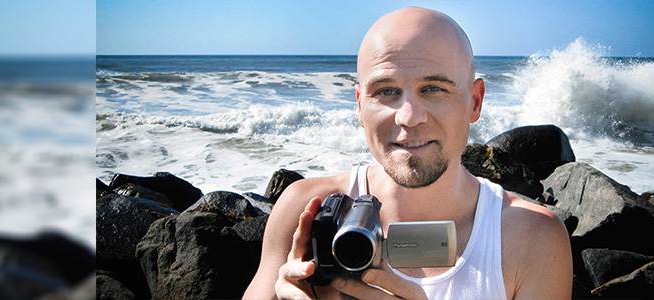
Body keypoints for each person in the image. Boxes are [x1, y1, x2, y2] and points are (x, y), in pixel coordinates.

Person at [243, 7, 572, 300]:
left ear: (475, 101)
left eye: (434, 89)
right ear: (360, 105)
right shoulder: (303, 211)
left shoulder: (530, 238)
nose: (409, 116)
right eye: (386, 91)